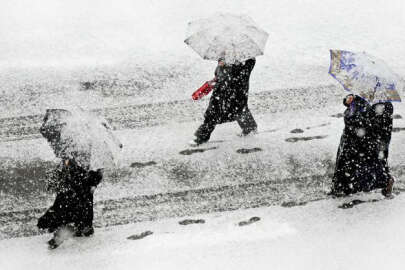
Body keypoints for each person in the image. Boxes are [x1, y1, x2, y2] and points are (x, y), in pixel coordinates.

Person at [330, 94, 391, 196]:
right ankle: (342, 187)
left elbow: (382, 127)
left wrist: (362, 120)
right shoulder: (363, 93)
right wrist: (348, 100)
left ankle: (385, 182)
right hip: (352, 138)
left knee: (370, 164)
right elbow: (352, 103)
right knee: (348, 162)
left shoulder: (384, 102)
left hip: (367, 140)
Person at [37, 158, 103, 249]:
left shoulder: (69, 163)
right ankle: (66, 233)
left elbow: (55, 179)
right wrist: (94, 183)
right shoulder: (85, 166)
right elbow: (95, 177)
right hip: (79, 198)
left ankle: (63, 233)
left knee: (69, 216)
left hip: (71, 197)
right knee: (77, 218)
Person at [190, 57, 258, 145]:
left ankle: (250, 128)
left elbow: (250, 63)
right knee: (216, 114)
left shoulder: (243, 65)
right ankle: (201, 137)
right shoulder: (224, 63)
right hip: (224, 95)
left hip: (232, 94)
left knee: (237, 110)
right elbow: (218, 75)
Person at [371, 101, 395, 196]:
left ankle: (388, 181)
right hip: (380, 140)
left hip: (381, 141)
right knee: (380, 161)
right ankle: (386, 181)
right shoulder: (380, 106)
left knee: (380, 160)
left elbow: (384, 129)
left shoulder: (386, 108)